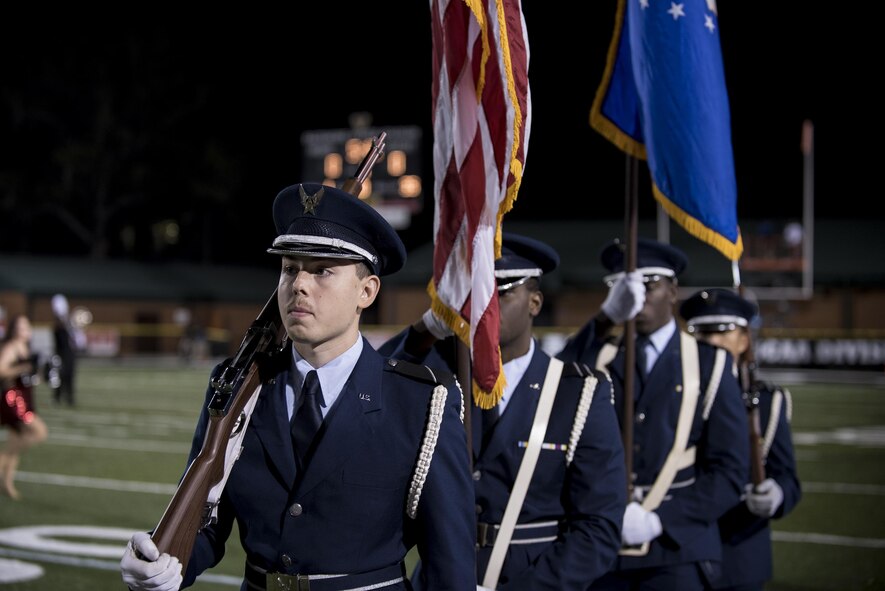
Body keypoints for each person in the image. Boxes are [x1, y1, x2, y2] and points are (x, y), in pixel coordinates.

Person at [120, 182, 477, 591]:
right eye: (290, 268)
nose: (299, 285)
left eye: (322, 270)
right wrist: (163, 562)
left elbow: (449, 567)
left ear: (367, 291)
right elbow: (206, 522)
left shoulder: (420, 404)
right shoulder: (239, 386)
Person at [380, 232, 627, 590]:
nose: (487, 305)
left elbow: (598, 527)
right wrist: (425, 329)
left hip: (534, 577)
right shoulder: (438, 376)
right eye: (478, 293)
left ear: (535, 303)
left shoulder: (577, 391)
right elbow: (371, 384)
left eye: (503, 292)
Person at [556, 237, 749, 591]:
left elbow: (731, 470)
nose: (638, 296)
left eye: (649, 284)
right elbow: (553, 381)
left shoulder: (710, 363)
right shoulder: (599, 356)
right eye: (623, 287)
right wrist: (605, 317)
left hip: (677, 552)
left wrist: (660, 521)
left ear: (673, 291)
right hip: (600, 549)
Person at [680, 288, 802, 591]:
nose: (711, 342)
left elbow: (787, 477)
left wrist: (777, 494)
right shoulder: (670, 398)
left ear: (744, 339)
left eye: (723, 332)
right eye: (702, 333)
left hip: (741, 554)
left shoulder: (769, 402)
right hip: (679, 548)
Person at [0, 314, 49, 500]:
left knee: (15, 440)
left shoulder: (25, 347)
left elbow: (29, 376)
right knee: (39, 432)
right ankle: (2, 459)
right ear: (14, 330)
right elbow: (1, 369)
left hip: (24, 397)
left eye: (27, 327)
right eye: (22, 327)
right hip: (14, 399)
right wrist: (23, 368)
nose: (26, 331)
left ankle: (7, 485)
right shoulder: (12, 347)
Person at [50, 293, 85, 406]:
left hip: (69, 353)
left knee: (70, 376)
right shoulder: (59, 325)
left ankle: (69, 398)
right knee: (60, 376)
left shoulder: (68, 323)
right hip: (60, 353)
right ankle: (58, 398)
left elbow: (77, 340)